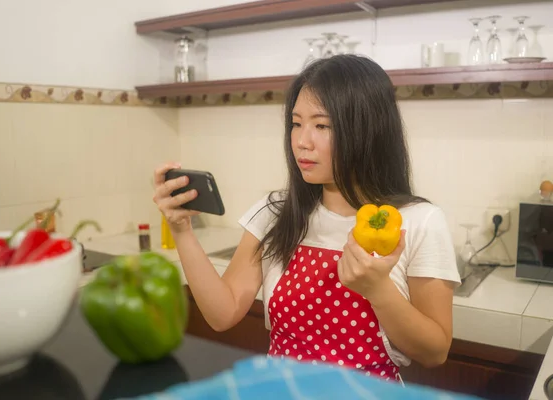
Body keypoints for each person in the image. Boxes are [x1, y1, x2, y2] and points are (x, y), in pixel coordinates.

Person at [152, 54, 461, 384]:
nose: (302, 141)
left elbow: (434, 352)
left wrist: (378, 290)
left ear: (367, 130)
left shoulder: (419, 221)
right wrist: (181, 229)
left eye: (322, 125)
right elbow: (222, 313)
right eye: (296, 124)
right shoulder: (276, 212)